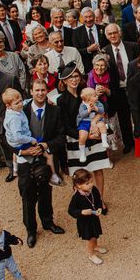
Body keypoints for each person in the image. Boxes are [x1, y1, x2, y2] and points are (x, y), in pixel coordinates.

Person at [16, 79, 66, 247]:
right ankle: (31, 230)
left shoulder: (55, 110)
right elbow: (9, 137)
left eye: (43, 90)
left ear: (47, 91)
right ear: (31, 91)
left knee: (46, 193)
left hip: (45, 158)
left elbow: (61, 137)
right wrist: (23, 151)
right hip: (25, 161)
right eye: (37, 90)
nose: (40, 93)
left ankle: (47, 222)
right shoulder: (20, 111)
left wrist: (45, 145)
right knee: (28, 196)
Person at [57, 63, 112, 197]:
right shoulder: (61, 100)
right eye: (70, 77)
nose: (74, 79)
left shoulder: (87, 91)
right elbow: (65, 126)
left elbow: (103, 107)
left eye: (76, 76)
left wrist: (95, 123)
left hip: (94, 133)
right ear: (64, 81)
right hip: (76, 137)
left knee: (98, 169)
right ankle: (83, 202)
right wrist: (86, 136)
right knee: (78, 174)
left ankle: (100, 199)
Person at [2, 88, 63, 186]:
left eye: (21, 101)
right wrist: (32, 140)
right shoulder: (15, 119)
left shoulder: (12, 110)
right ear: (8, 106)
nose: (21, 104)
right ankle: (53, 175)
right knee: (48, 155)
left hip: (14, 141)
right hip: (22, 141)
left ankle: (15, 169)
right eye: (17, 103)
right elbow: (18, 137)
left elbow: (26, 101)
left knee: (17, 154)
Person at [101, 23, 137, 153]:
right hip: (118, 90)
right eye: (110, 34)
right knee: (123, 118)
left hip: (134, 87)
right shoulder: (105, 51)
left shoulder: (132, 47)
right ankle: (129, 143)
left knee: (137, 114)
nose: (113, 36)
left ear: (120, 33)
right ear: (107, 36)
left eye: (115, 33)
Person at [67, 169, 107, 265]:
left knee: (96, 234)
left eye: (91, 182)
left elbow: (98, 199)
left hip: (93, 218)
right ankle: (91, 254)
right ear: (78, 185)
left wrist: (99, 208)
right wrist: (81, 212)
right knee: (91, 238)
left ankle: (96, 246)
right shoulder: (76, 197)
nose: (90, 185)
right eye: (87, 183)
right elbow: (71, 210)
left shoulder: (93, 190)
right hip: (85, 222)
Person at [76, 87, 109, 163]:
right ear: (88, 99)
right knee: (82, 136)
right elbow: (81, 115)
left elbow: (102, 110)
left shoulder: (98, 103)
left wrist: (96, 108)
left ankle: (104, 140)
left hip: (96, 120)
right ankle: (82, 153)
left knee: (102, 125)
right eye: (94, 96)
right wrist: (88, 110)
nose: (97, 96)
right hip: (84, 122)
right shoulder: (83, 105)